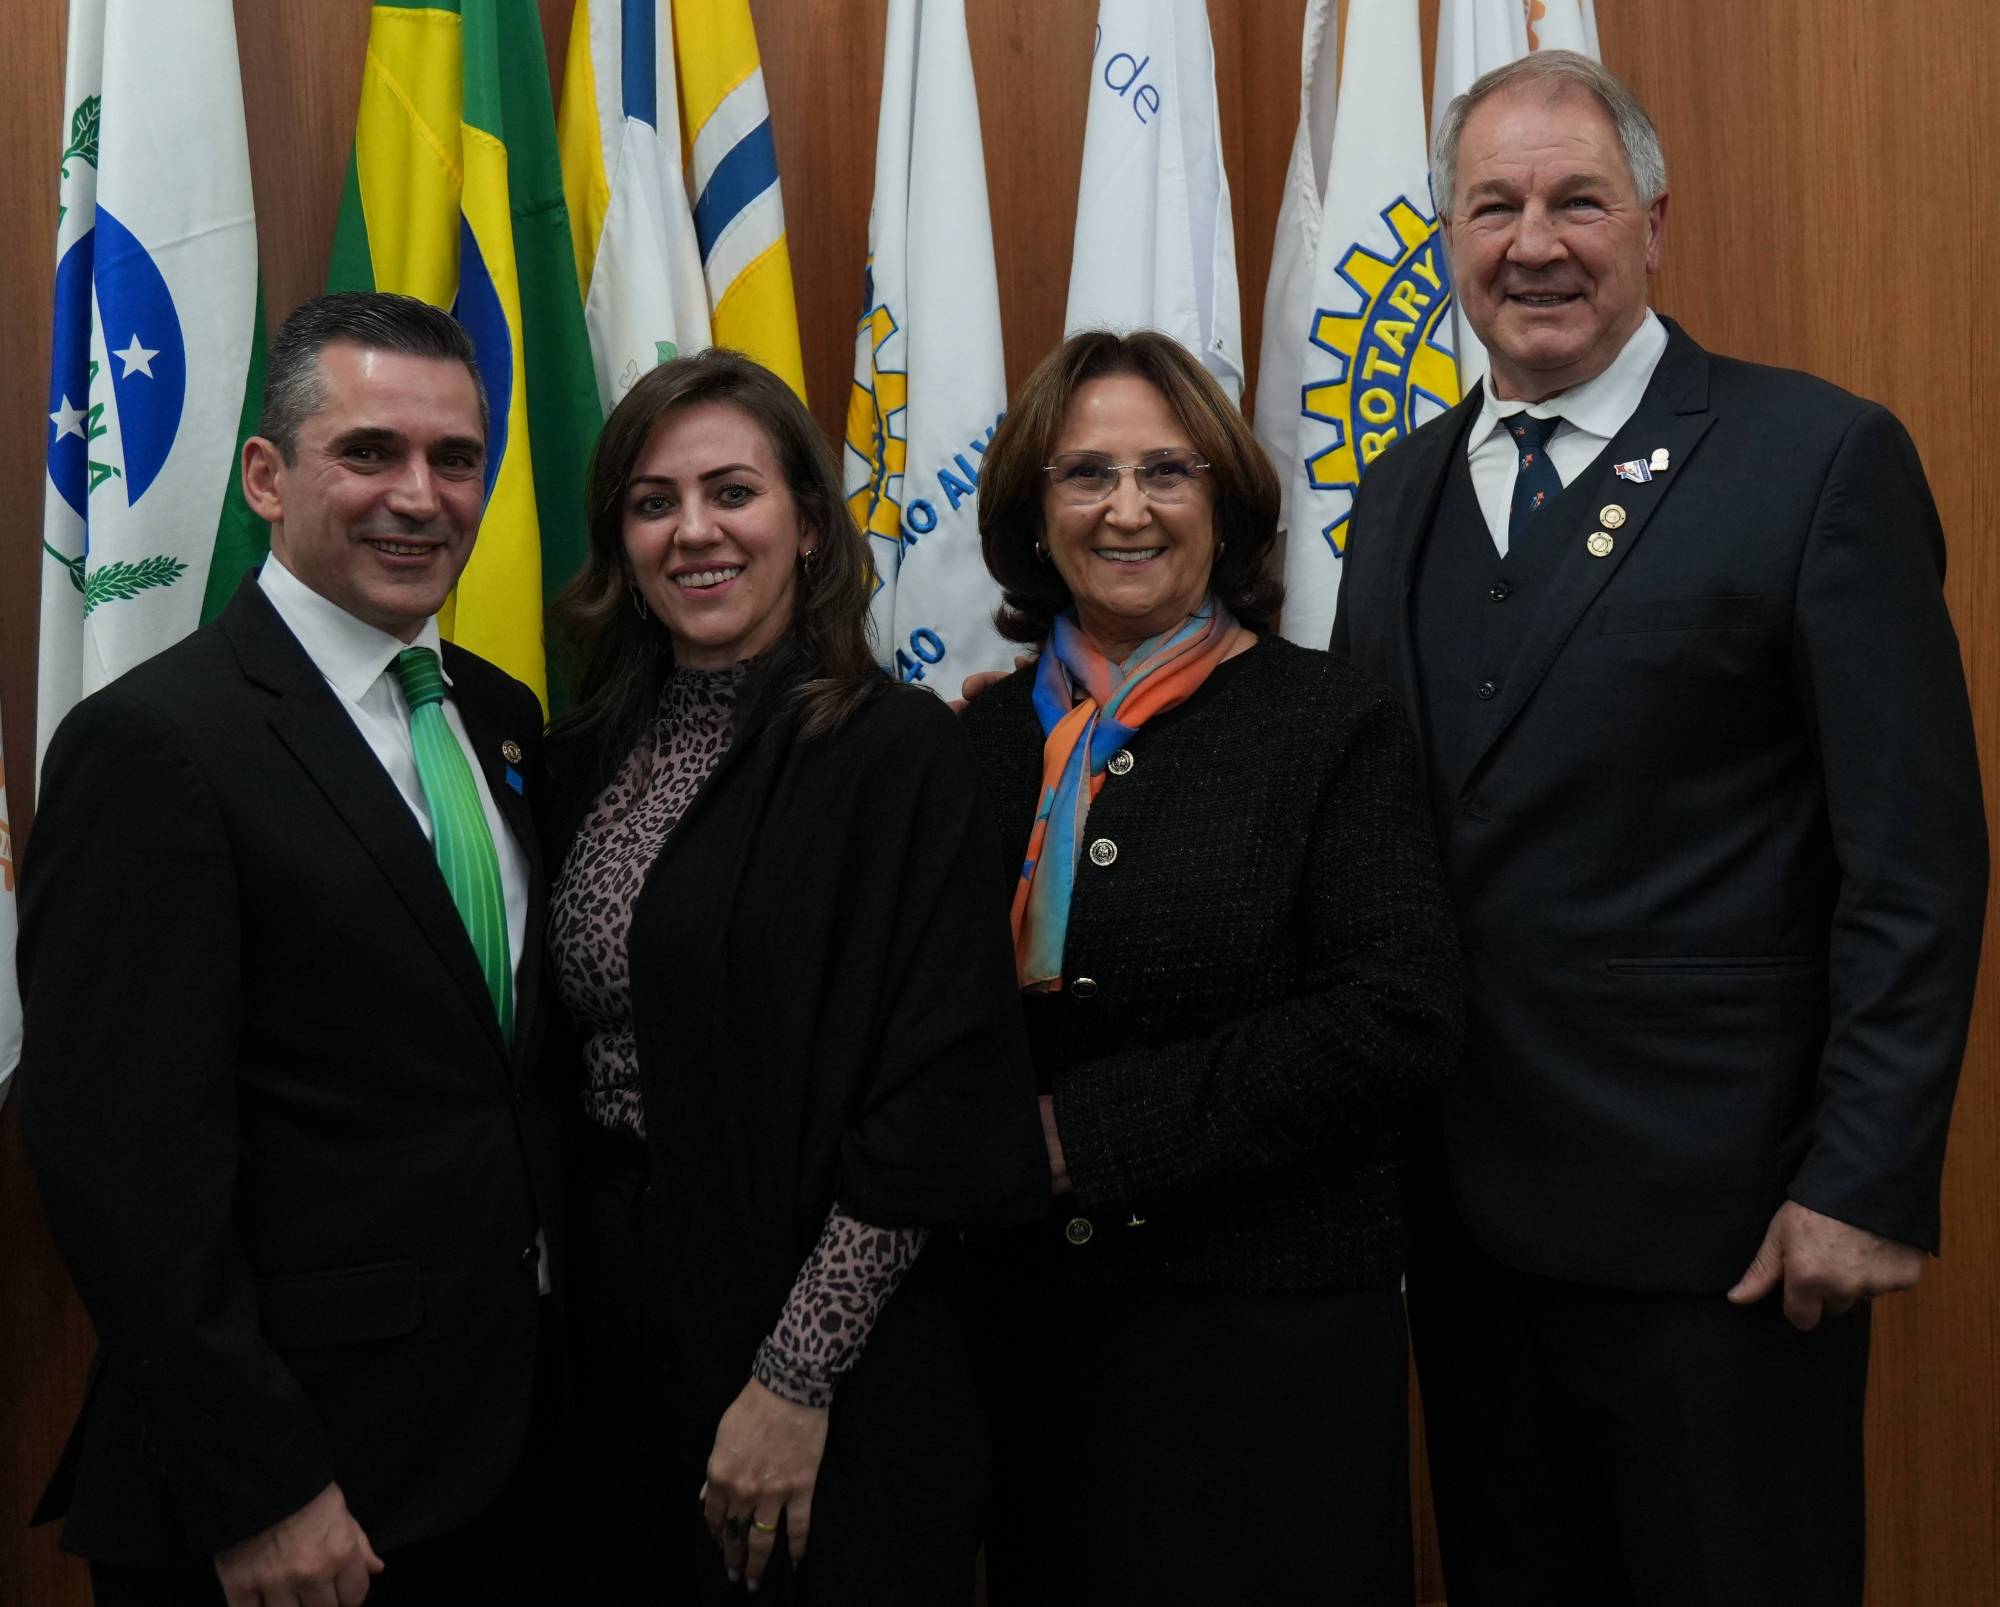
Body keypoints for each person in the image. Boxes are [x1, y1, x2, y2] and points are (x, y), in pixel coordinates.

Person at [1329, 52, 1988, 1607]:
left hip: (1733, 1235)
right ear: (1446, 238)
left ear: (1656, 223)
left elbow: (1915, 859)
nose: (1534, 242)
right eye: (1493, 206)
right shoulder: (1397, 488)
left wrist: (1864, 1177)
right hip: (1466, 1226)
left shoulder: (1816, 461)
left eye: (1578, 200)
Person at [18, 292, 564, 1606]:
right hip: (285, 1503)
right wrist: (261, 1483)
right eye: (368, 451)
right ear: (266, 474)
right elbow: (120, 1161)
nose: (419, 496)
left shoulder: (499, 712)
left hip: (500, 1455)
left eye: (455, 457)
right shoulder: (154, 744)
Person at [959, 329, 1465, 1606]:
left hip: (1271, 1350)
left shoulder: (1325, 719)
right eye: (1084, 474)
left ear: (1224, 500)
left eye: (1165, 471)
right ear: (1033, 509)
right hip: (1031, 1340)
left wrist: (1083, 1133)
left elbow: (1395, 1016)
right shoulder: (964, 745)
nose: (1124, 508)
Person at [541, 348, 1047, 1604]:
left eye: (732, 491)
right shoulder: (580, 753)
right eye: (653, 502)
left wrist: (792, 1378)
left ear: (809, 524)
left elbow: (933, 1095)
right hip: (610, 1342)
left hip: (832, 1362)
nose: (693, 530)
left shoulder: (898, 755)